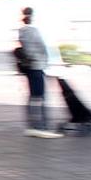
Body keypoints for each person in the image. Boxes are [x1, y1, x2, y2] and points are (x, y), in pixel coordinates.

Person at [18, 7, 63, 139]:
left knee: (37, 96)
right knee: (38, 97)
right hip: (35, 67)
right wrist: (37, 62)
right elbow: (31, 50)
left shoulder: (29, 30)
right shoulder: (28, 30)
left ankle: (37, 126)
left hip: (38, 66)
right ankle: (38, 126)